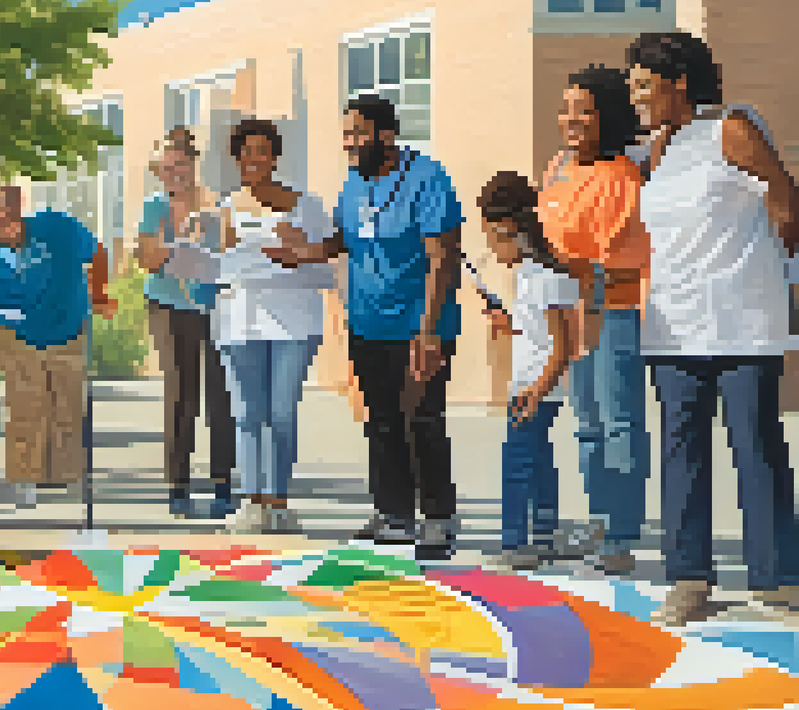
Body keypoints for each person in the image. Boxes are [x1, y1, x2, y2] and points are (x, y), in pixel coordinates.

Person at [625, 32, 799, 626]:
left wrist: (778, 280)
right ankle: (689, 579)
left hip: (741, 323)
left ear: (679, 84)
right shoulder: (655, 151)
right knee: (681, 454)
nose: (635, 95)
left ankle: (776, 580)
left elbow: (787, 208)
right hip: (672, 327)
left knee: (756, 448)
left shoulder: (733, 129)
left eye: (644, 84)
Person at [279, 94, 465, 560]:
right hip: (367, 322)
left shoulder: (428, 178)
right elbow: (344, 240)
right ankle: (394, 516)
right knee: (381, 422)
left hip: (419, 325)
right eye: (345, 134)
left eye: (356, 133)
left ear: (385, 135)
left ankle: (438, 519)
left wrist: (428, 332)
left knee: (422, 420)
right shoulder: (354, 183)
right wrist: (301, 252)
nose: (348, 143)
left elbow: (443, 257)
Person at [174, 119, 334, 533]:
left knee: (280, 413)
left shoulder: (305, 204)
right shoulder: (228, 207)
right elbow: (224, 264)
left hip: (294, 322)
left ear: (275, 157)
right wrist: (194, 262)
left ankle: (277, 502)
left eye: (261, 151)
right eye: (245, 152)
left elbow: (332, 254)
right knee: (246, 413)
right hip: (240, 321)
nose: (253, 159)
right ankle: (251, 502)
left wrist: (300, 249)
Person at [538, 65, 652, 575]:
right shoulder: (558, 166)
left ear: (608, 116)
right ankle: (600, 523)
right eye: (566, 110)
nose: (571, 120)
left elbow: (620, 260)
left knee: (619, 423)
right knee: (587, 425)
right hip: (569, 310)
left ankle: (621, 536)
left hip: (611, 311)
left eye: (583, 111)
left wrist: (570, 264)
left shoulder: (622, 177)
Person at [0, 186, 115, 509]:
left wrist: (99, 292)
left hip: (67, 325)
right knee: (25, 404)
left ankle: (64, 476)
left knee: (67, 403)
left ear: (22, 210)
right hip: (14, 333)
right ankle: (25, 477)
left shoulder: (58, 227)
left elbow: (98, 252)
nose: (6, 228)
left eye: (10, 220)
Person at [477, 172, 580, 571]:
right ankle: (546, 535)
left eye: (493, 239)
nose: (491, 249)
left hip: (536, 385)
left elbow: (564, 345)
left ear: (511, 231)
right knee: (537, 460)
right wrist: (509, 325)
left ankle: (515, 544)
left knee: (516, 463)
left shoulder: (546, 278)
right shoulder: (529, 275)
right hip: (531, 382)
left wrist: (537, 391)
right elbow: (538, 331)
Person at [134, 128, 236, 518]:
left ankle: (223, 483)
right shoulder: (154, 207)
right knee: (181, 392)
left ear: (193, 164)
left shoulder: (217, 205)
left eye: (179, 165)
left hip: (214, 305)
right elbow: (147, 259)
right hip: (168, 304)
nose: (173, 173)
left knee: (220, 394)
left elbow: (230, 254)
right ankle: (178, 485)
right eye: (165, 168)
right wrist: (176, 244)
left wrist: (197, 246)